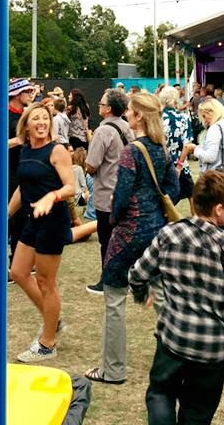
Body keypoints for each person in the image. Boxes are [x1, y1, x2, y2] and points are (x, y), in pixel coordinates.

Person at [130, 170, 224, 425]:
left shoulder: (169, 234)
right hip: (211, 350)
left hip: (173, 339)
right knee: (197, 413)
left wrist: (143, 293)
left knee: (160, 394)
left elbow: (138, 274)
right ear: (218, 209)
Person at [85, 93, 179, 385]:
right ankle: (181, 360)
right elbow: (174, 188)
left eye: (129, 110)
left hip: (128, 233)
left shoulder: (132, 151)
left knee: (114, 299)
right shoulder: (161, 149)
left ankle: (113, 370)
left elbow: (122, 196)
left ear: (138, 116)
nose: (126, 113)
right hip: (156, 231)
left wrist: (114, 217)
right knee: (163, 297)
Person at [7, 102, 78, 363]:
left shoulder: (57, 150)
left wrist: (52, 195)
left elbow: (71, 186)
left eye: (45, 118)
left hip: (52, 221)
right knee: (18, 272)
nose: (41, 122)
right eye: (35, 118)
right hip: (31, 218)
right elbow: (23, 188)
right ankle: (53, 318)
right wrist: (7, 214)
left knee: (46, 282)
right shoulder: (26, 149)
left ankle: (48, 343)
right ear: (26, 124)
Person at [84, 88, 133, 294]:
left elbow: (91, 164)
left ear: (108, 109)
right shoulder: (127, 128)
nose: (99, 106)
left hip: (106, 192)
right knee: (123, 237)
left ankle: (107, 280)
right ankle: (125, 275)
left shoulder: (103, 131)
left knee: (106, 238)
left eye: (102, 104)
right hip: (125, 189)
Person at [7, 78, 35, 267]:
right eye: (28, 92)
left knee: (23, 217)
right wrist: (18, 140)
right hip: (8, 174)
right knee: (11, 217)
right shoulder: (4, 116)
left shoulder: (23, 116)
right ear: (18, 94)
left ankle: (19, 261)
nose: (31, 95)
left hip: (23, 173)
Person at [181, 98, 224, 174]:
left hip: (216, 176)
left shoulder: (215, 128)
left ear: (212, 112)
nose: (204, 120)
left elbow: (210, 157)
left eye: (204, 116)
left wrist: (195, 149)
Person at [160, 86, 194, 205]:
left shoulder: (157, 118)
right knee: (191, 193)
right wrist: (179, 166)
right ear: (175, 100)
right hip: (181, 162)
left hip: (162, 163)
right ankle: (196, 221)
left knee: (164, 197)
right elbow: (187, 145)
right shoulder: (184, 117)